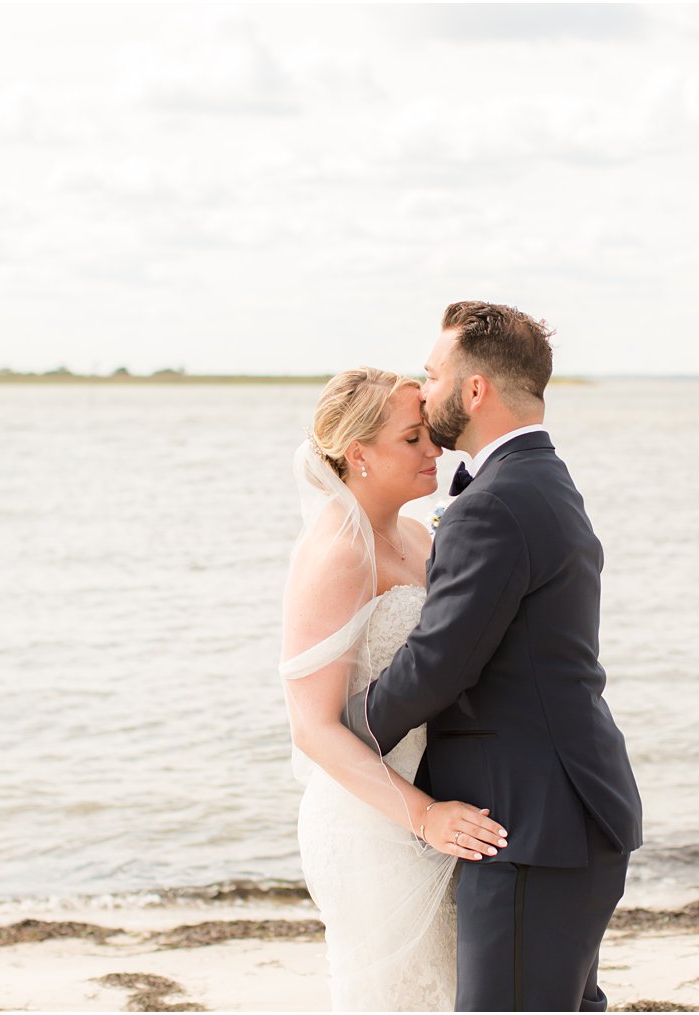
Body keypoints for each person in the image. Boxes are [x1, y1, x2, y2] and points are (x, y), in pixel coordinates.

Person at [356, 301, 644, 1011]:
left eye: (433, 373)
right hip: (560, 815)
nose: (424, 391)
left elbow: (439, 661)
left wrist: (347, 737)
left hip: (530, 828)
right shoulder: (539, 478)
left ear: (475, 389)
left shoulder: (495, 501)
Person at [280, 368, 506, 1010]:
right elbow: (312, 725)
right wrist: (422, 815)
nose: (436, 449)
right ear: (358, 455)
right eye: (414, 439)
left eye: (430, 434)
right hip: (373, 820)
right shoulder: (338, 553)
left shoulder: (418, 536)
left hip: (440, 796)